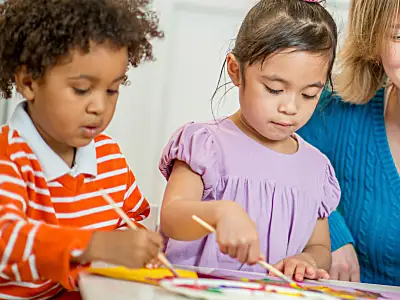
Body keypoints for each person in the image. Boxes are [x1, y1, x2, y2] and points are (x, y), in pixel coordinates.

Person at [158, 0, 340, 282]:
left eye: (309, 94)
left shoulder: (316, 167)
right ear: (235, 70)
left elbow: (320, 247)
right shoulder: (205, 144)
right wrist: (218, 213)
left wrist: (307, 259)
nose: (290, 107)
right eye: (274, 89)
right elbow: (171, 217)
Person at [0, 0, 164, 298]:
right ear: (28, 82)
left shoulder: (109, 155)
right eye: (81, 89)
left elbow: (134, 217)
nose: (100, 107)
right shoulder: (8, 157)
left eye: (112, 90)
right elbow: (5, 241)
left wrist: (135, 243)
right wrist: (90, 245)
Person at [298, 0, 400, 286]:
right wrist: (327, 230)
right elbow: (269, 164)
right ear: (372, 39)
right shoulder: (331, 113)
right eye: (399, 36)